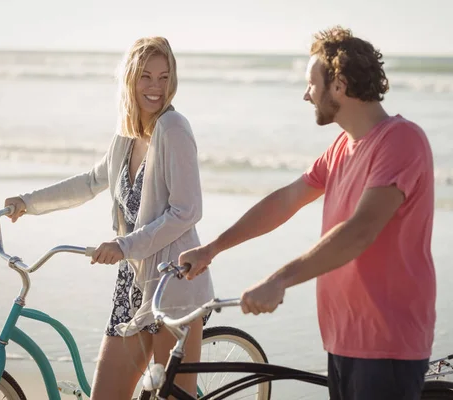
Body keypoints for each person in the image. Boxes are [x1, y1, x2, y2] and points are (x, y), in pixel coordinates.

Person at [179, 26, 436, 400]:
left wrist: (280, 279)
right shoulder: (341, 148)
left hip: (387, 343)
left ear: (339, 86)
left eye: (311, 84)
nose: (306, 94)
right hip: (343, 337)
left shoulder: (400, 140)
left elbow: (360, 230)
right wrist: (213, 249)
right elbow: (285, 201)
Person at [4, 36, 214, 400]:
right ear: (130, 79)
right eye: (146, 77)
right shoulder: (127, 135)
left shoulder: (174, 129)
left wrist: (123, 245)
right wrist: (27, 202)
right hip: (131, 283)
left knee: (175, 397)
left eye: (164, 78)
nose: (155, 88)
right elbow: (90, 182)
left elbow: (187, 212)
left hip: (172, 284)